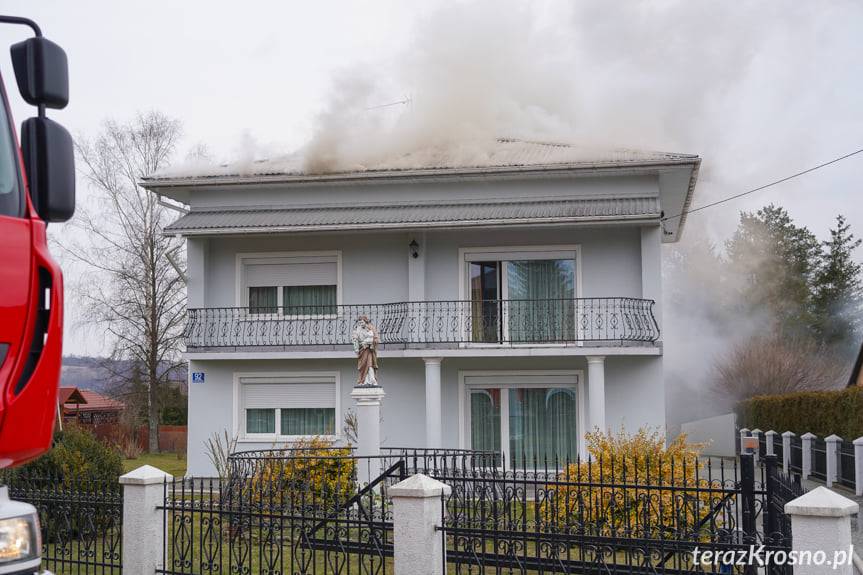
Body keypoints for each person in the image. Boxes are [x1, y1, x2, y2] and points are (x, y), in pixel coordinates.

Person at [352, 315, 380, 386]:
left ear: (365, 321)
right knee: (362, 366)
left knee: (369, 364)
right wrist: (356, 345)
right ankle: (364, 380)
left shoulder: (371, 328)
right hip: (362, 350)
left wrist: (370, 342)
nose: (361, 324)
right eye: (359, 323)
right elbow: (356, 339)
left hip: (369, 350)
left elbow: (376, 339)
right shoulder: (358, 329)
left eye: (362, 322)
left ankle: (372, 380)